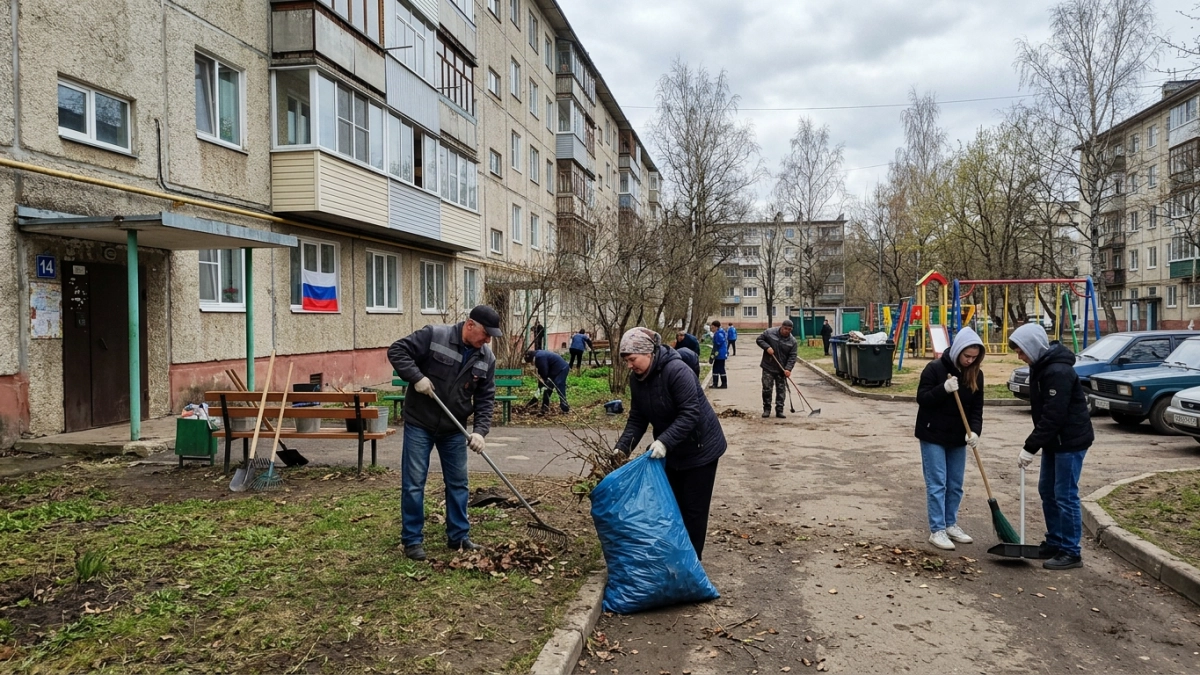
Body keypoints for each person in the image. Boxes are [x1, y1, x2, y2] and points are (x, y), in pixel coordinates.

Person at [387, 305, 501, 562]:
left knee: (459, 483)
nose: (488, 340)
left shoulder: (486, 358)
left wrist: (480, 432)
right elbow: (397, 350)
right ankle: (412, 540)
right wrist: (416, 377)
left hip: (453, 428)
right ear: (470, 325)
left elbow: (486, 398)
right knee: (414, 483)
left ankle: (458, 536)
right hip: (420, 422)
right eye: (486, 333)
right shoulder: (434, 336)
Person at [613, 328, 727, 559]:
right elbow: (637, 418)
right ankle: (675, 559)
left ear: (648, 353)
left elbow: (690, 413)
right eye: (626, 361)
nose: (629, 366)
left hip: (700, 449)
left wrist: (664, 441)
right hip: (673, 451)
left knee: (693, 511)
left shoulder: (676, 371)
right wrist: (622, 448)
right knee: (672, 506)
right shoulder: (637, 380)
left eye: (632, 359)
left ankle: (691, 564)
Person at [1010, 323, 1095, 571]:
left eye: (1022, 351)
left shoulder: (1058, 371)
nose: (1020, 356)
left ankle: (1071, 551)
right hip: (1053, 441)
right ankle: (1055, 541)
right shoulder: (1040, 366)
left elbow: (1054, 415)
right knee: (1047, 490)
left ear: (1033, 347)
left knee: (1065, 495)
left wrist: (1030, 447)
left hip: (1069, 441)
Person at [915, 327, 985, 551]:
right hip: (933, 434)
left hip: (957, 437)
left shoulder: (976, 374)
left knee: (955, 485)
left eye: (974, 357)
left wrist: (975, 431)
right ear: (958, 351)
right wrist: (943, 389)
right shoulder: (935, 369)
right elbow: (922, 398)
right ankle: (937, 529)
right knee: (938, 484)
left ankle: (950, 523)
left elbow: (976, 409)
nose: (970, 361)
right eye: (967, 356)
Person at [756, 320, 797, 419]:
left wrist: (788, 369)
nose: (787, 331)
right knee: (767, 389)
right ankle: (767, 409)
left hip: (781, 370)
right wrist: (767, 347)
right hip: (768, 367)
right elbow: (759, 339)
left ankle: (779, 410)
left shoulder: (792, 341)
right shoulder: (770, 333)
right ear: (781, 327)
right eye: (785, 328)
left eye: (789, 329)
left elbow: (792, 356)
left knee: (781, 390)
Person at [525, 348, 570, 415]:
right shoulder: (538, 355)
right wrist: (542, 382)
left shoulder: (539, 357)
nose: (532, 364)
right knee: (547, 387)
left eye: (531, 362)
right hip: (553, 370)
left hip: (561, 368)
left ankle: (564, 406)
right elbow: (542, 372)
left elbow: (544, 371)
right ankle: (544, 407)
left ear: (532, 359)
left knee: (559, 385)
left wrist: (544, 380)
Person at [709, 320, 728, 389]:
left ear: (716, 327)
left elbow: (716, 346)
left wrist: (713, 356)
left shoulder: (718, 334)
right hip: (722, 353)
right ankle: (723, 383)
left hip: (719, 354)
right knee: (721, 368)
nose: (712, 329)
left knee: (716, 368)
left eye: (713, 327)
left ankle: (716, 383)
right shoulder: (722, 332)